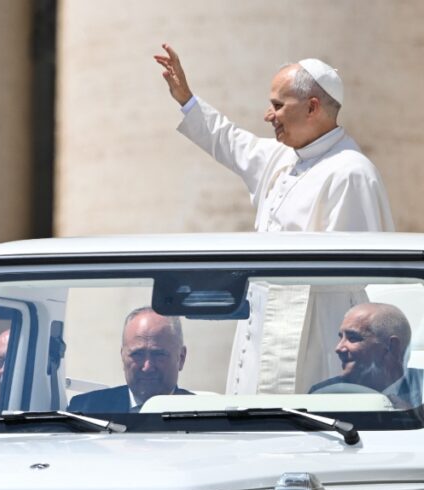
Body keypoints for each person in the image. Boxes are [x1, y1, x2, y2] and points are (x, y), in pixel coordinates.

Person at [155, 44, 396, 395]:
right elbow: (229, 141)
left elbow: (357, 281)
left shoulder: (351, 173)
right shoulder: (283, 158)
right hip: (262, 327)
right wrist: (186, 99)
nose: (268, 115)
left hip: (314, 340)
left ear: (313, 107)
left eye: (278, 105)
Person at [68, 307, 190, 412]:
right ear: (123, 357)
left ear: (181, 358)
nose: (147, 367)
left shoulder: (204, 414)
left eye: (158, 354)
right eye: (137, 354)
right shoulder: (86, 411)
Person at [310, 303, 420, 406]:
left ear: (391, 346)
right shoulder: (324, 394)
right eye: (341, 337)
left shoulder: (421, 388)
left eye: (353, 338)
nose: (338, 348)